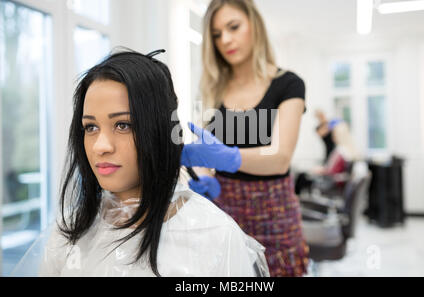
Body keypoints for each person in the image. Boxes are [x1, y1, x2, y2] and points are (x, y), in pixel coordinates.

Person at [30, 49, 269, 277]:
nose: (100, 146)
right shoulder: (69, 230)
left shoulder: (213, 234)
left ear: (161, 130)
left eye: (123, 125)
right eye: (90, 127)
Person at [181, 0, 309, 277]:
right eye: (216, 34)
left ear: (254, 25)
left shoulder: (288, 85)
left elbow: (280, 157)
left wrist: (232, 157)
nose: (225, 39)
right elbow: (205, 155)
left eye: (233, 27)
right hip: (225, 219)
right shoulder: (212, 90)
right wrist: (202, 177)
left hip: (276, 222)